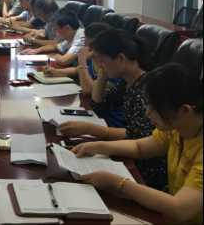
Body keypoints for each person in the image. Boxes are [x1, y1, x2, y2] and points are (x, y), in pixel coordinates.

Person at [72, 63, 202, 224]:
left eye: (153, 108)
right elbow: (139, 147)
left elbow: (180, 209)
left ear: (184, 111)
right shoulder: (177, 127)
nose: (147, 113)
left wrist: (118, 184)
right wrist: (96, 146)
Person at [59, 28, 167, 190]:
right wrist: (104, 72)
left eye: (101, 60)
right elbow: (98, 105)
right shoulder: (127, 81)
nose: (98, 65)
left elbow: (137, 137)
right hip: (131, 155)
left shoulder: (146, 89)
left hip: (144, 170)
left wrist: (91, 130)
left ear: (121, 58)